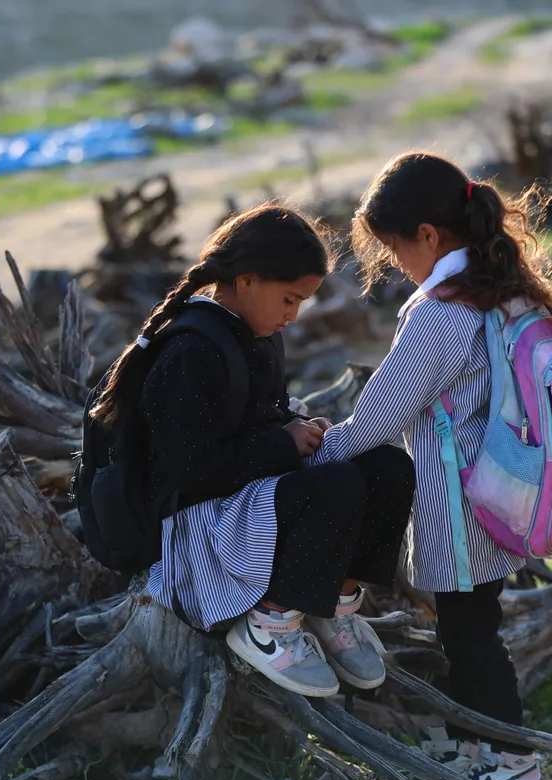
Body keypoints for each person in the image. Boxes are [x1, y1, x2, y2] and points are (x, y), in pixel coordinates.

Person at [307, 152, 552, 780]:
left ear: (429, 237)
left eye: (394, 249)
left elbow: (381, 414)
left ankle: (513, 764)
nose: (396, 264)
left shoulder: (438, 313)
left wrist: (323, 451)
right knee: (473, 625)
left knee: (470, 636)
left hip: (460, 498)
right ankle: (480, 747)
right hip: (507, 488)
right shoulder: (509, 288)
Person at [88, 204, 415, 699]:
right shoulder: (190, 351)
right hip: (191, 531)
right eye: (288, 298)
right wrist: (281, 443)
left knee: (388, 466)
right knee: (338, 484)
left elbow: (252, 419)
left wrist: (293, 427)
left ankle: (335, 606)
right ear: (245, 280)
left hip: (239, 501)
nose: (293, 315)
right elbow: (191, 469)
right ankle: (271, 624)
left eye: (300, 302)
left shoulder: (255, 335)